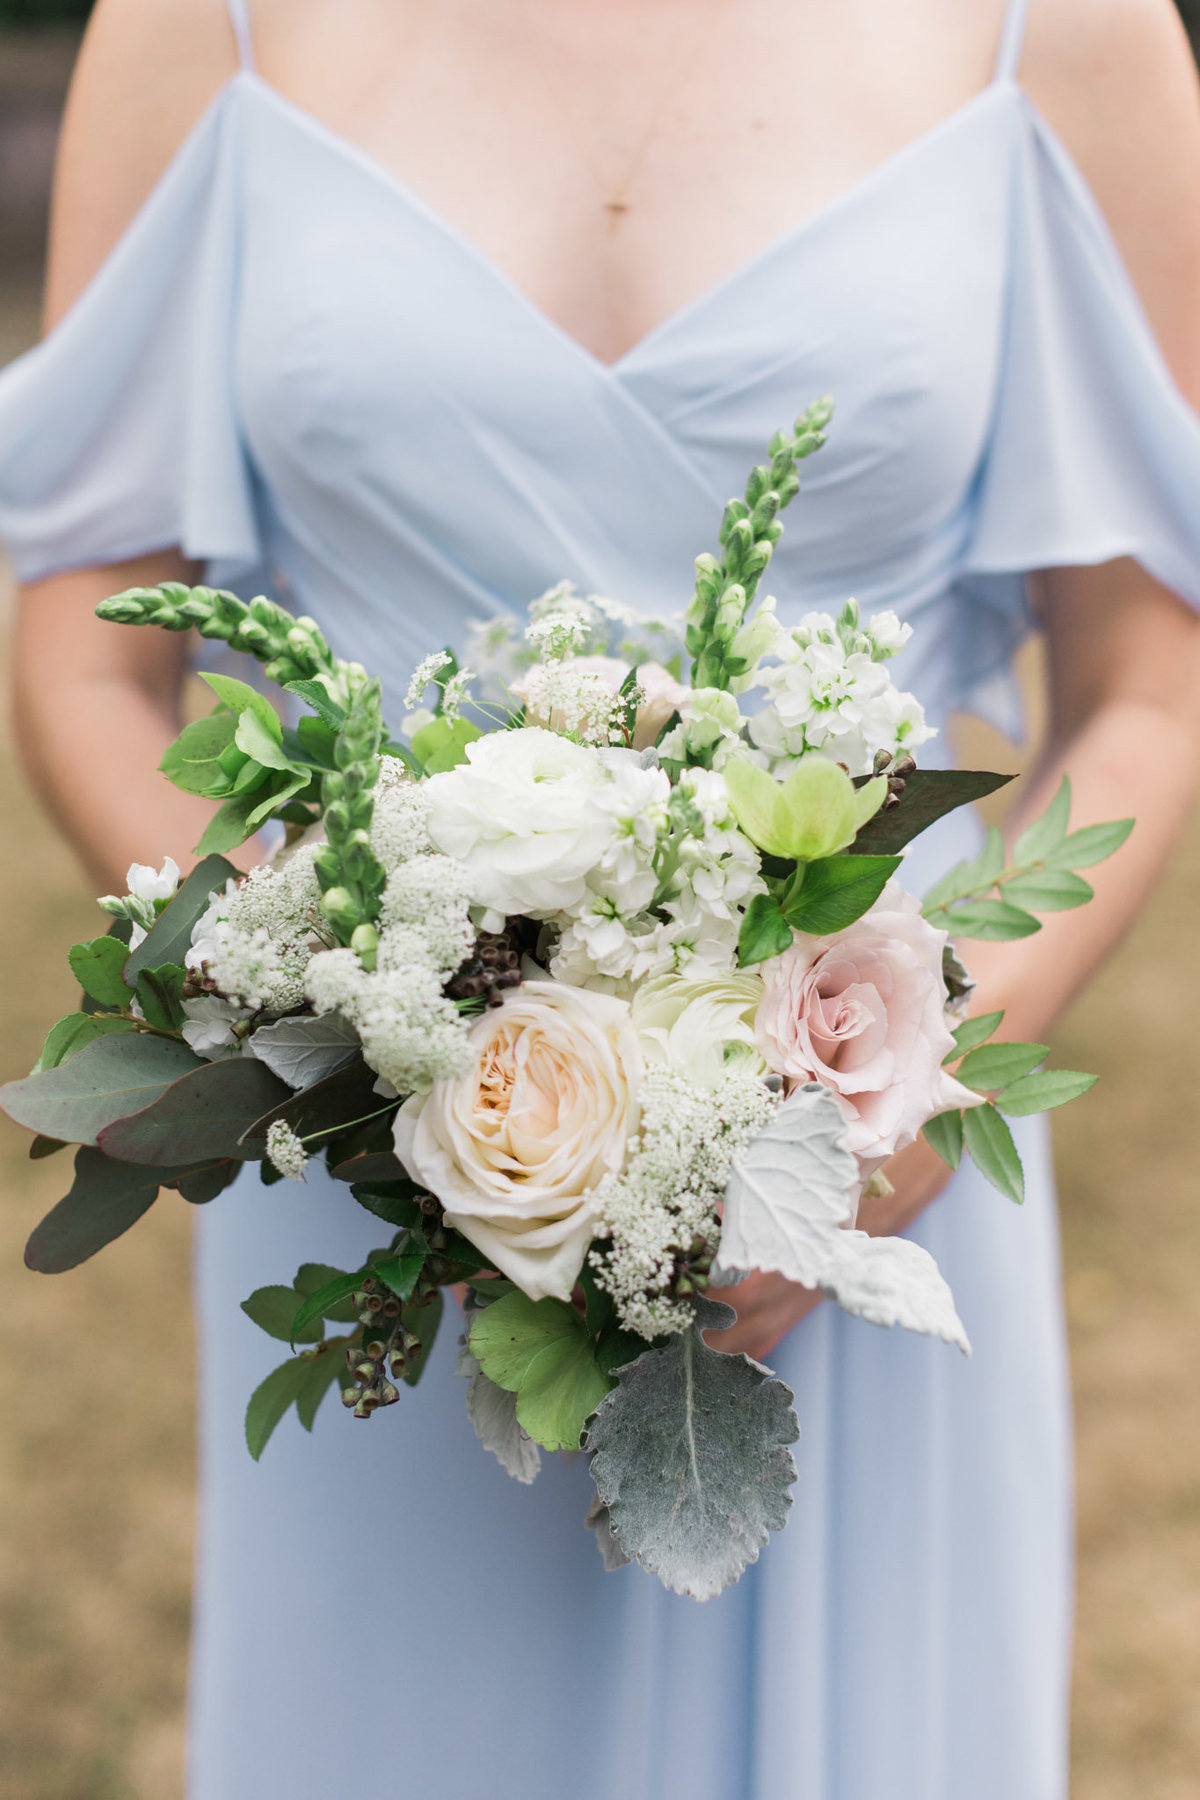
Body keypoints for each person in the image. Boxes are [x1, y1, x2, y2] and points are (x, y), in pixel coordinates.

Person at [2, 0, 1200, 1793]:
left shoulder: (1064, 28)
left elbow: (1150, 674)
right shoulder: (205, 24)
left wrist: (890, 1111)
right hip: (385, 1171)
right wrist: (332, 1014)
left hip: (861, 1151)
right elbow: (85, 639)